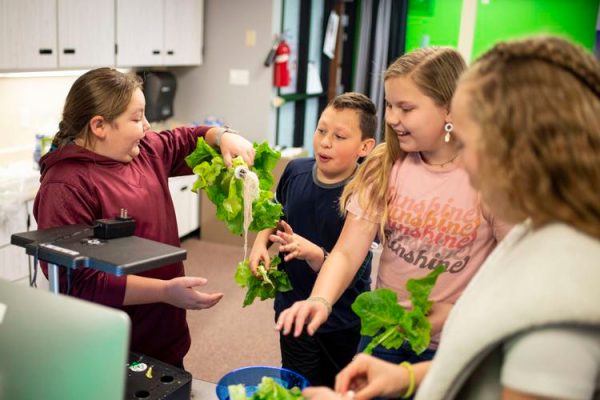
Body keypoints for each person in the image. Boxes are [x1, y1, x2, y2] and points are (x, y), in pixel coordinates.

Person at [303, 35, 600, 400]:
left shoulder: (562, 292)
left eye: (473, 140)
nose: (467, 163)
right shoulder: (541, 243)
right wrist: (404, 379)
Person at [276, 47, 511, 369]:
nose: (391, 118)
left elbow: (516, 266)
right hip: (381, 334)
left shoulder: (490, 176)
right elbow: (346, 252)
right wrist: (320, 299)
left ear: (451, 109)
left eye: (406, 107)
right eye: (389, 105)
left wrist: (461, 311)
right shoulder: (384, 165)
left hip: (452, 343)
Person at [33, 67, 256, 368]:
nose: (147, 126)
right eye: (137, 118)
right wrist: (164, 291)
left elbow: (186, 139)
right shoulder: (65, 185)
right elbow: (79, 283)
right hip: (108, 344)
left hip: (164, 327)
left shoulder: (145, 151)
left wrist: (223, 136)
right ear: (99, 125)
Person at [249, 92, 377, 387]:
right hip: (293, 308)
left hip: (342, 318)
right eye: (321, 130)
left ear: (365, 147)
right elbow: (275, 214)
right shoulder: (296, 170)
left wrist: (314, 253)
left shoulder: (364, 194)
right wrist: (260, 243)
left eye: (340, 136)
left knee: (337, 387)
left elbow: (354, 267)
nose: (325, 142)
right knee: (298, 385)